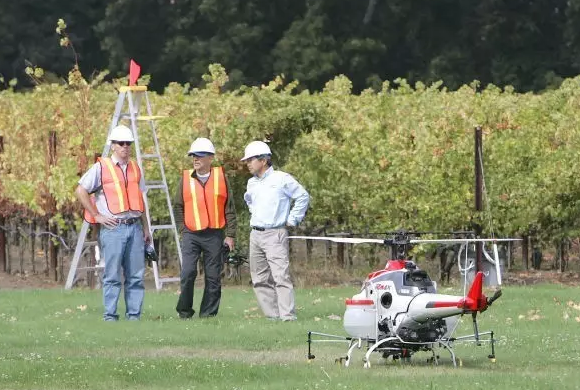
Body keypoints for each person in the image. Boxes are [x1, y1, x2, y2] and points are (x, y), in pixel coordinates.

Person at [75, 124, 151, 321]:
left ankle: (134, 317)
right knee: (112, 275)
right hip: (113, 228)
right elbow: (80, 190)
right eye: (121, 143)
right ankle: (110, 316)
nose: (125, 146)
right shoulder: (101, 167)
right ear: (113, 145)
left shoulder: (135, 168)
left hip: (134, 227)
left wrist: (145, 227)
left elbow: (140, 199)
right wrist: (97, 215)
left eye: (128, 143)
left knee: (136, 276)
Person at [241, 141, 310, 321]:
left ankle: (287, 316)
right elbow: (250, 202)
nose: (248, 163)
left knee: (281, 277)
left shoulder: (281, 178)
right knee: (259, 278)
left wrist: (292, 219)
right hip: (255, 234)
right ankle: (272, 317)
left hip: (275, 234)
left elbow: (302, 196)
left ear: (263, 160)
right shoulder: (251, 183)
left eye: (251, 160)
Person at [174, 137, 237, 319]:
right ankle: (184, 312)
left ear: (210, 158)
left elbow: (229, 209)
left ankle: (208, 315)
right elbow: (178, 206)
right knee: (188, 273)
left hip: (215, 235)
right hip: (191, 234)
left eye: (200, 156)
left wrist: (230, 235)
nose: (196, 159)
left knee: (213, 277)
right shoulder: (185, 179)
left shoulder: (221, 178)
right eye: (193, 155)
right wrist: (182, 229)